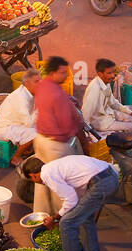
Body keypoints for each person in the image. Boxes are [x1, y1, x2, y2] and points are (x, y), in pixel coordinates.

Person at [23, 153, 119, 251]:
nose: (36, 182)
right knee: (86, 219)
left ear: (33, 175)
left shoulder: (47, 174)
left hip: (100, 183)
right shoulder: (55, 166)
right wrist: (63, 214)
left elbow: (71, 200)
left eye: (33, 180)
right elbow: (77, 197)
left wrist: (56, 218)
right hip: (109, 176)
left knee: (67, 224)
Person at [32, 56, 92, 212]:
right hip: (55, 146)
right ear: (52, 73)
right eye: (63, 72)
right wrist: (83, 144)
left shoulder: (42, 86)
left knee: (42, 182)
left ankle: (41, 215)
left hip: (40, 140)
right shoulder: (58, 95)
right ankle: (64, 220)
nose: (66, 75)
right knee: (62, 187)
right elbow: (70, 124)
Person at [82, 59, 132, 139]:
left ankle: (125, 136)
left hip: (109, 113)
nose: (113, 76)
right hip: (101, 122)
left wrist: (130, 112)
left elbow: (113, 103)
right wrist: (86, 134)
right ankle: (126, 146)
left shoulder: (106, 83)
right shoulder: (94, 89)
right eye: (109, 73)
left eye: (113, 72)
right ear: (100, 74)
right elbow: (86, 113)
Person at [0, 67, 40, 159]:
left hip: (19, 123)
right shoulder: (21, 98)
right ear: (27, 83)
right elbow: (29, 123)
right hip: (4, 128)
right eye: (36, 82)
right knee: (37, 133)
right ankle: (16, 157)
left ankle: (26, 149)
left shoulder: (30, 93)